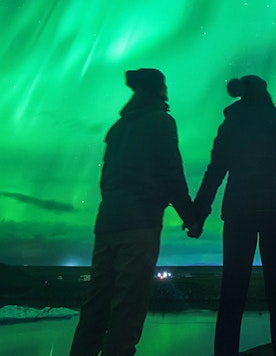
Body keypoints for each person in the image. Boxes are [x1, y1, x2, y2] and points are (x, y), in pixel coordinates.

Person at [70, 68, 201, 356]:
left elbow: (105, 179)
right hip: (140, 225)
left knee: (96, 305)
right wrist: (190, 217)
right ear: (158, 90)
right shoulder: (161, 122)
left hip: (107, 224)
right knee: (128, 306)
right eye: (165, 85)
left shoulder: (117, 129)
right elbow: (171, 173)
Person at [192, 75, 276, 356]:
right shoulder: (275, 119)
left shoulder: (231, 123)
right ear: (264, 93)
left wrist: (198, 214)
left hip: (238, 215)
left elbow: (215, 172)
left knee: (231, 298)